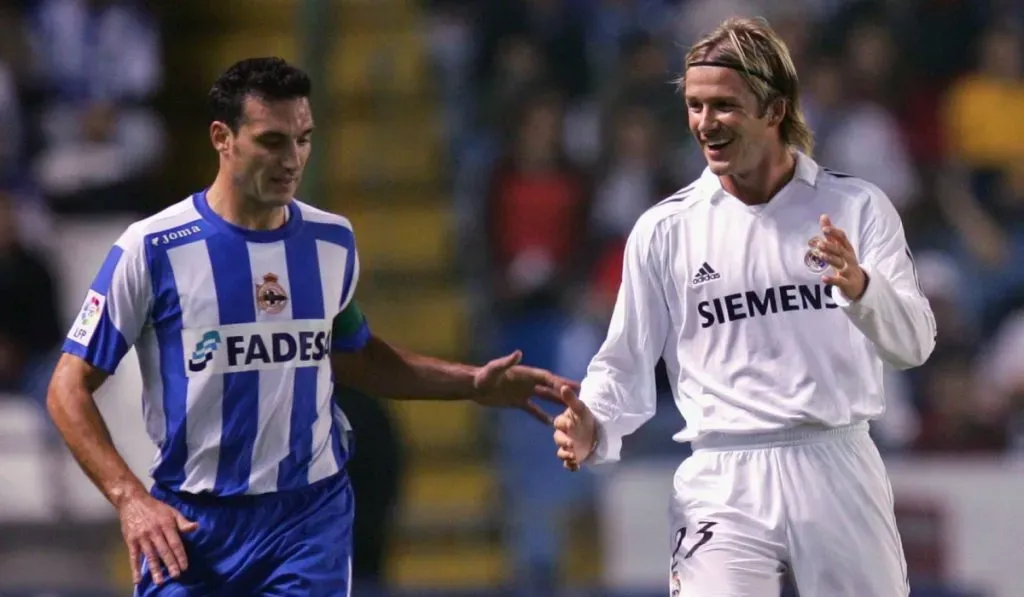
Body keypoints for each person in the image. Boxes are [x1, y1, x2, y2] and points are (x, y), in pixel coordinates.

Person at [45, 57, 574, 597]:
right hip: (190, 523)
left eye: (304, 139)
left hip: (306, 518)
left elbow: (357, 356)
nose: (292, 159)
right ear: (221, 138)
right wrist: (130, 499)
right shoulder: (152, 249)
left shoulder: (331, 241)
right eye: (272, 141)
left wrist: (471, 383)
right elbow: (68, 386)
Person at [552, 17, 936, 597]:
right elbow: (623, 363)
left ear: (775, 109)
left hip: (836, 461)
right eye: (695, 105)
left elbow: (914, 344)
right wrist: (595, 424)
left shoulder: (857, 207)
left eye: (724, 106)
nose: (705, 123)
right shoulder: (665, 230)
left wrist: (860, 287)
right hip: (721, 476)